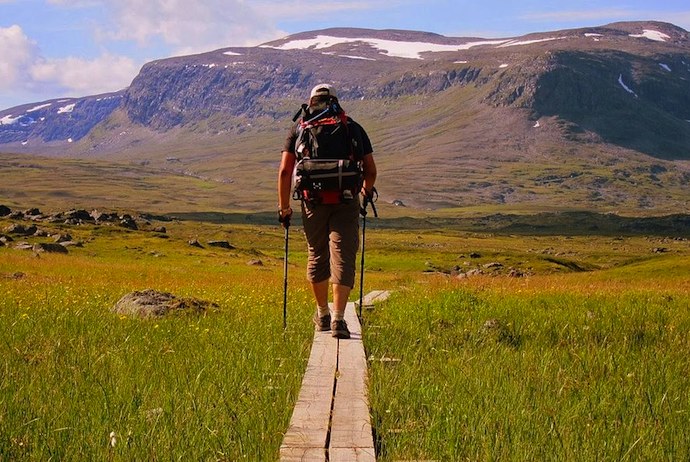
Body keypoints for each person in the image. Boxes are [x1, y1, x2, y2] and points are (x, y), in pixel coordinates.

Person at [278, 83, 377, 339]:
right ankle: (339, 320)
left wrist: (284, 208)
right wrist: (365, 190)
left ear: (311, 101)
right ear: (335, 100)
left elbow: (285, 171)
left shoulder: (300, 128)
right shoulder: (352, 127)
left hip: (312, 202)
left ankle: (322, 314)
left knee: (317, 255)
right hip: (346, 201)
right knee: (343, 256)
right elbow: (370, 169)